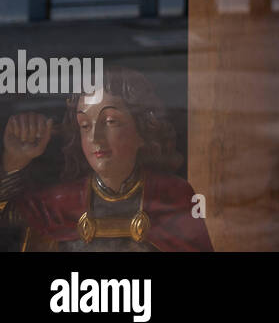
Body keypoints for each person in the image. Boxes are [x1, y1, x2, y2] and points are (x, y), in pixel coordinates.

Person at [0, 67, 212, 252]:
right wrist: (15, 161)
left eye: (110, 121)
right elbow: (7, 222)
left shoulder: (171, 196)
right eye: (85, 125)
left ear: (142, 130)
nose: (95, 138)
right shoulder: (58, 204)